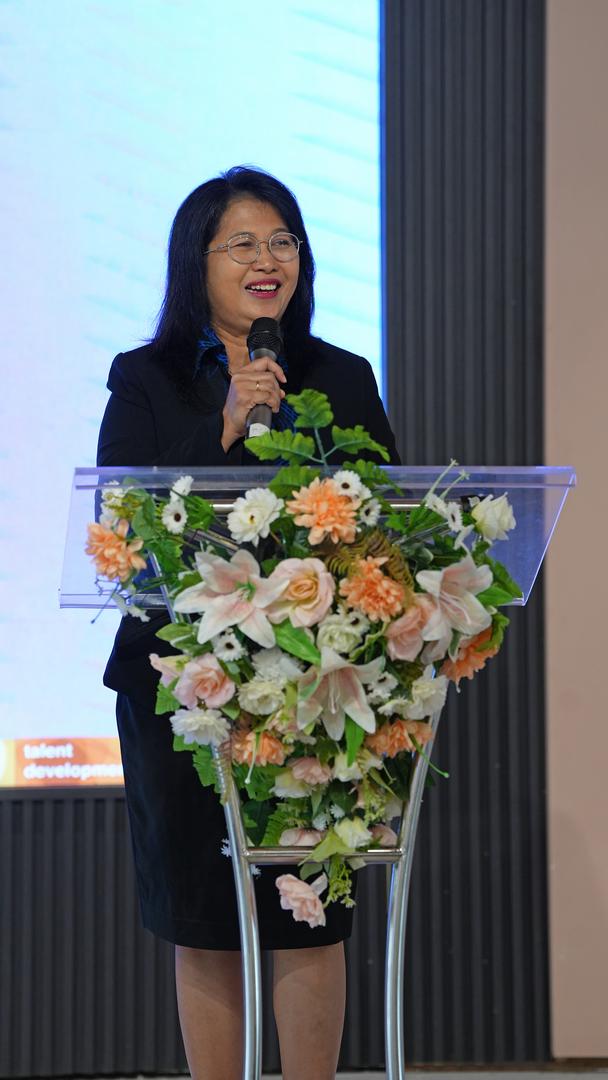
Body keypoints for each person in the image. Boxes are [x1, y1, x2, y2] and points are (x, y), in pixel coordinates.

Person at [97, 165, 400, 1080]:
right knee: (206, 919)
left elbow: (386, 524)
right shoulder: (146, 379)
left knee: (310, 913)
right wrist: (225, 425)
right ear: (197, 262)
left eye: (283, 241)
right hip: (182, 688)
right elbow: (126, 524)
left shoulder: (341, 376)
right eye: (243, 244)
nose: (268, 260)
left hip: (315, 684)